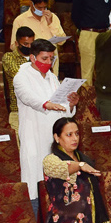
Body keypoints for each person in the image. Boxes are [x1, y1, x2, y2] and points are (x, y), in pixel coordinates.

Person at [13, 39, 79, 201]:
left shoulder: (52, 77)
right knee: (35, 181)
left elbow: (63, 107)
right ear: (33, 58)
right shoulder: (21, 77)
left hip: (54, 136)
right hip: (34, 134)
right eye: (45, 58)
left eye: (51, 58)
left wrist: (70, 104)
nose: (49, 62)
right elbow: (28, 98)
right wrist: (47, 104)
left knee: (58, 182)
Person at [41, 117, 111, 223]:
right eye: (69, 135)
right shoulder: (51, 160)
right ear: (57, 137)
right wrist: (80, 166)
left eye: (77, 134)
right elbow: (63, 168)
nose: (74, 138)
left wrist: (83, 164)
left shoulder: (85, 159)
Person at [73, 0, 111, 81]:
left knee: (105, 65)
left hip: (104, 33)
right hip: (88, 32)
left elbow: (109, 9)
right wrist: (83, 27)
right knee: (87, 67)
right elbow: (75, 14)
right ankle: (87, 97)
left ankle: (104, 94)